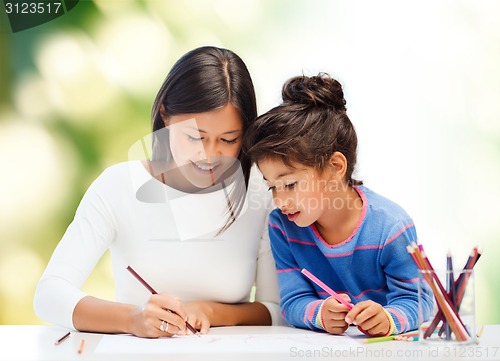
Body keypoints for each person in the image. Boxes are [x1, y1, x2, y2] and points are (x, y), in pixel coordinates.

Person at [34, 46, 283, 338]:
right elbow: (49, 295)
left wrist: (211, 311)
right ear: (165, 115)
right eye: (195, 137)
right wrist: (133, 318)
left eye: (228, 140)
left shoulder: (261, 190)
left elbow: (275, 309)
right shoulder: (118, 186)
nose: (210, 155)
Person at [243, 73, 433, 337]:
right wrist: (320, 314)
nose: (279, 200)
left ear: (335, 167)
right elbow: (292, 301)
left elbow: (420, 302)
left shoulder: (390, 227)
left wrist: (388, 319)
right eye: (271, 186)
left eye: (290, 185)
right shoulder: (283, 226)